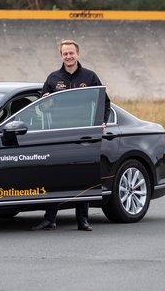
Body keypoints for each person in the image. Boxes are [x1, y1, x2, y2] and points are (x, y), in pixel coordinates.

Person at [31, 39, 111, 232]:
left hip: (83, 134)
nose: (68, 56)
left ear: (78, 54)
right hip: (57, 134)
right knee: (53, 176)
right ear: (61, 56)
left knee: (82, 176)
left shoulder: (90, 77)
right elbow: (41, 108)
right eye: (65, 53)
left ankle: (83, 220)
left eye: (71, 53)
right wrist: (45, 102)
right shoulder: (53, 78)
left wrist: (103, 122)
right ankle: (49, 219)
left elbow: (105, 102)